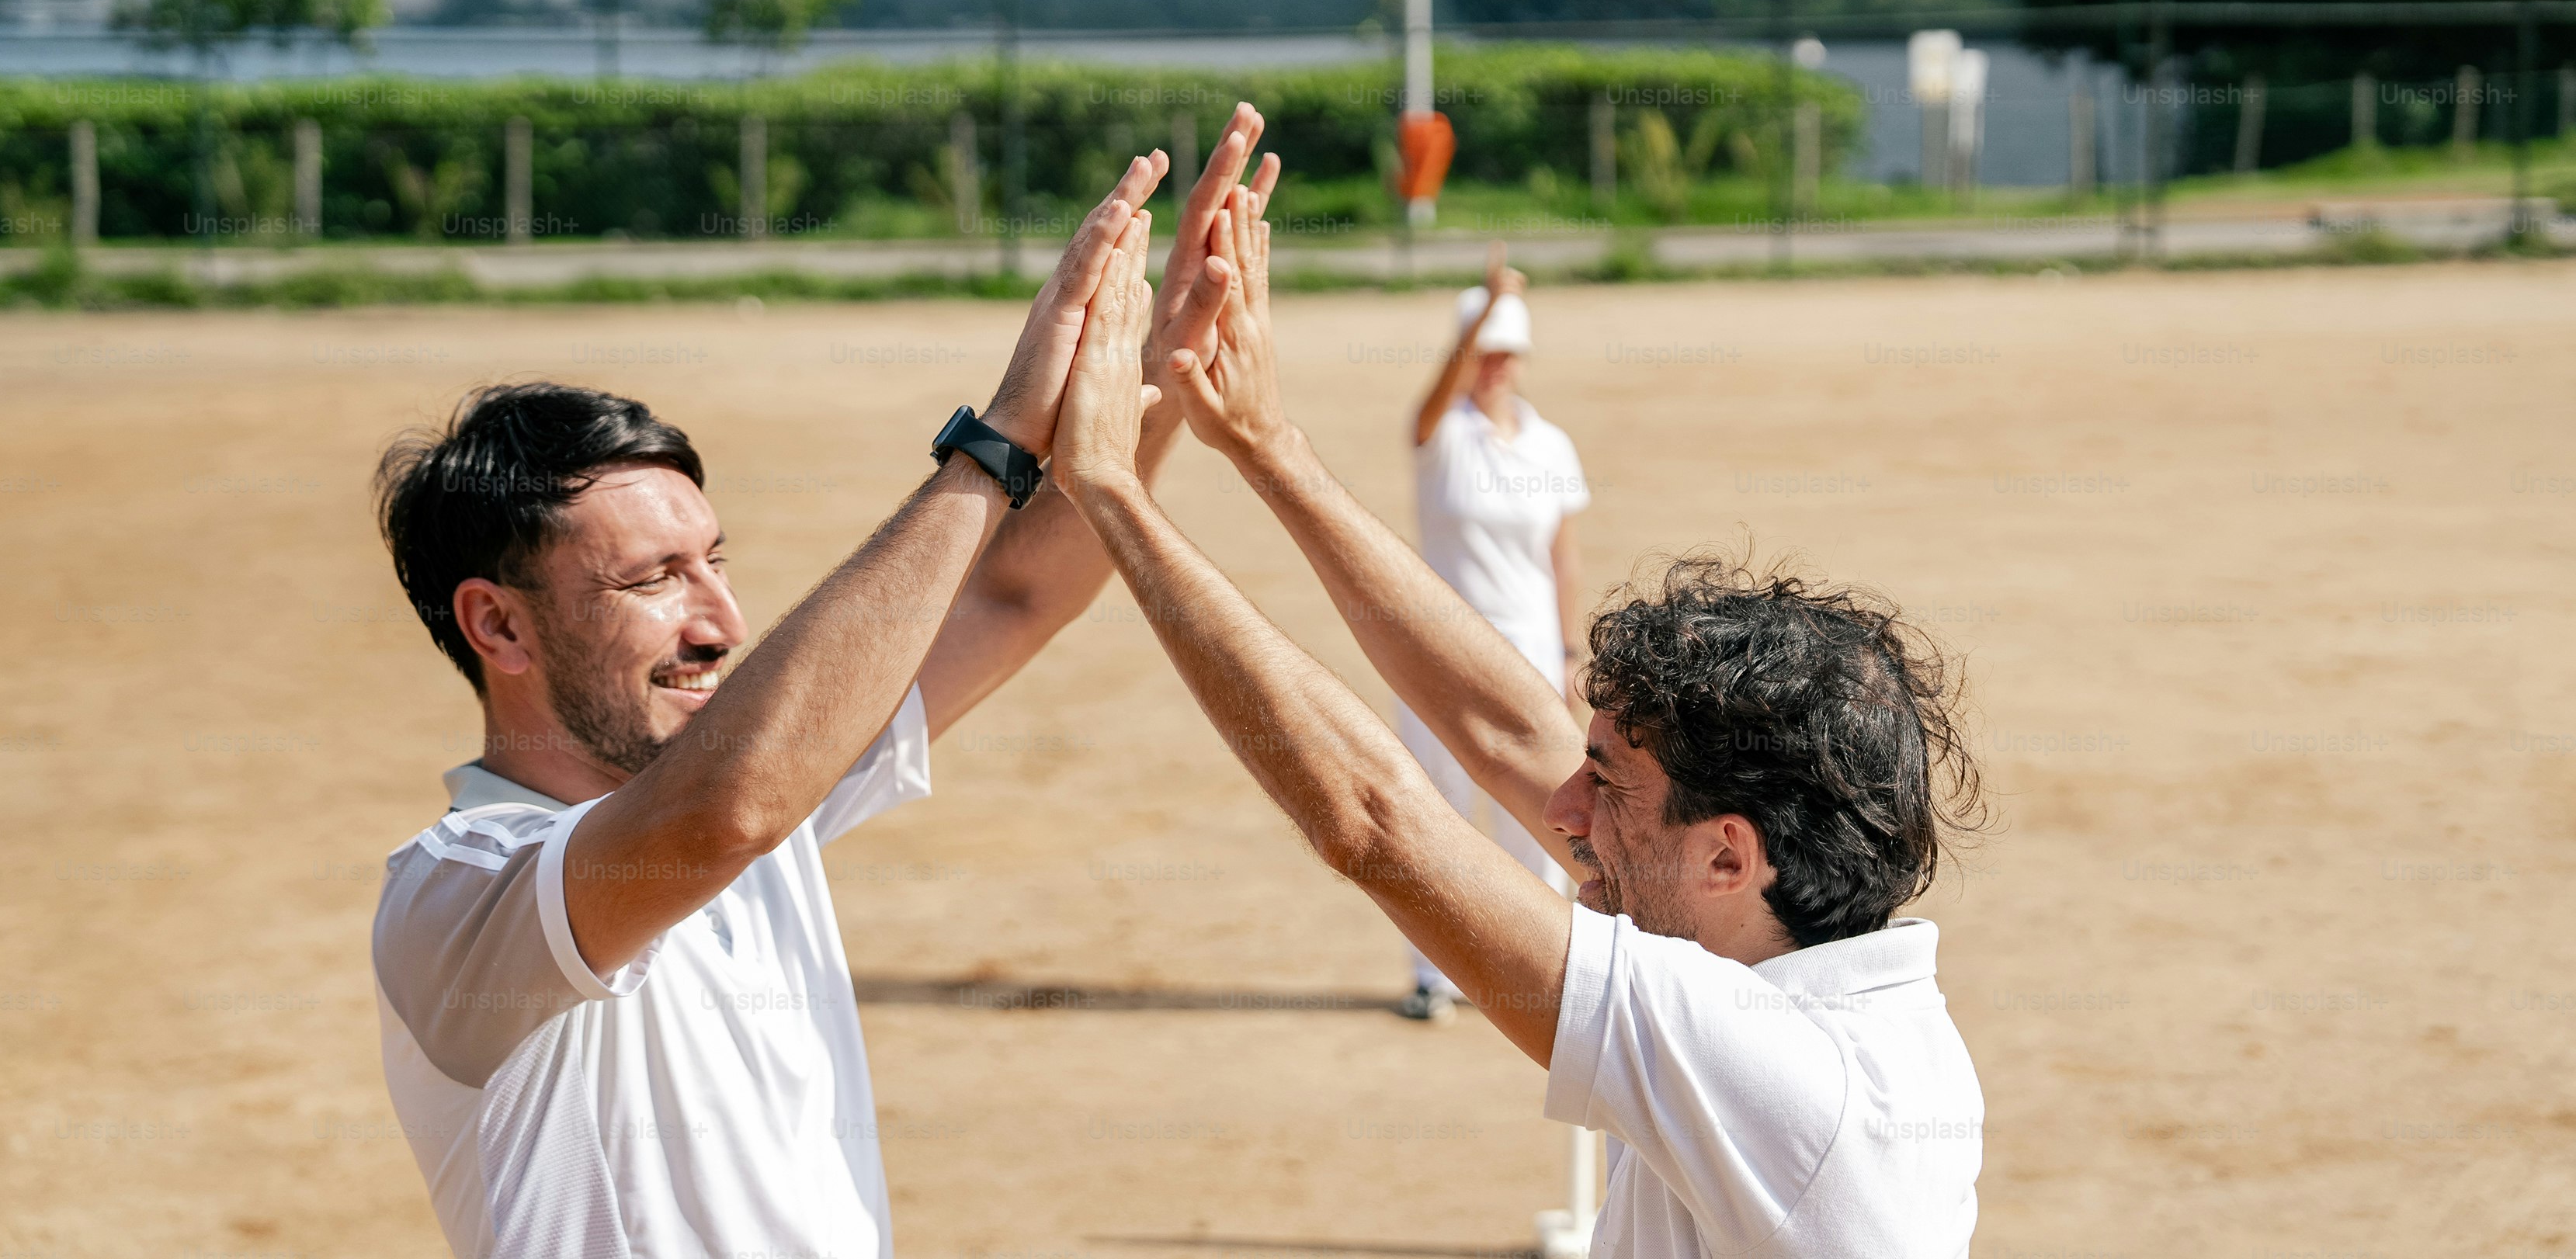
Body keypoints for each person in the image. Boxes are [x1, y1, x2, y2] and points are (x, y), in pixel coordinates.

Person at [364, 113, 1279, 1259]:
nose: (720, 623)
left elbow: (1010, 598)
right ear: (496, 622)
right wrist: (992, 441)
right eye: (653, 580)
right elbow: (719, 814)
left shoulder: (753, 779)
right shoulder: (460, 894)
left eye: (715, 561)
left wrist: (1160, 379)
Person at [1043, 180, 1986, 1259]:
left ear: (1730, 855)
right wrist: (1266, 447)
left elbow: (1373, 821)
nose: (1562, 805)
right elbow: (1501, 728)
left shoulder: (1769, 1069)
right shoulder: (1802, 965)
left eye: (1606, 785)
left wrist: (1111, 491)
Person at [1397, 242, 1589, 1021]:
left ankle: (1534, 974)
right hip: (1438, 653)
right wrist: (1475, 313)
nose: (1495, 366)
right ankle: (1428, 975)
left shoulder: (1549, 445)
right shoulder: (1442, 436)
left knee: (1540, 815)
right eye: (1484, 352)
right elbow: (1425, 410)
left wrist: (1573, 653)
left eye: (1507, 352)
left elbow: (1562, 556)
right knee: (1433, 812)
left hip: (1530, 652)